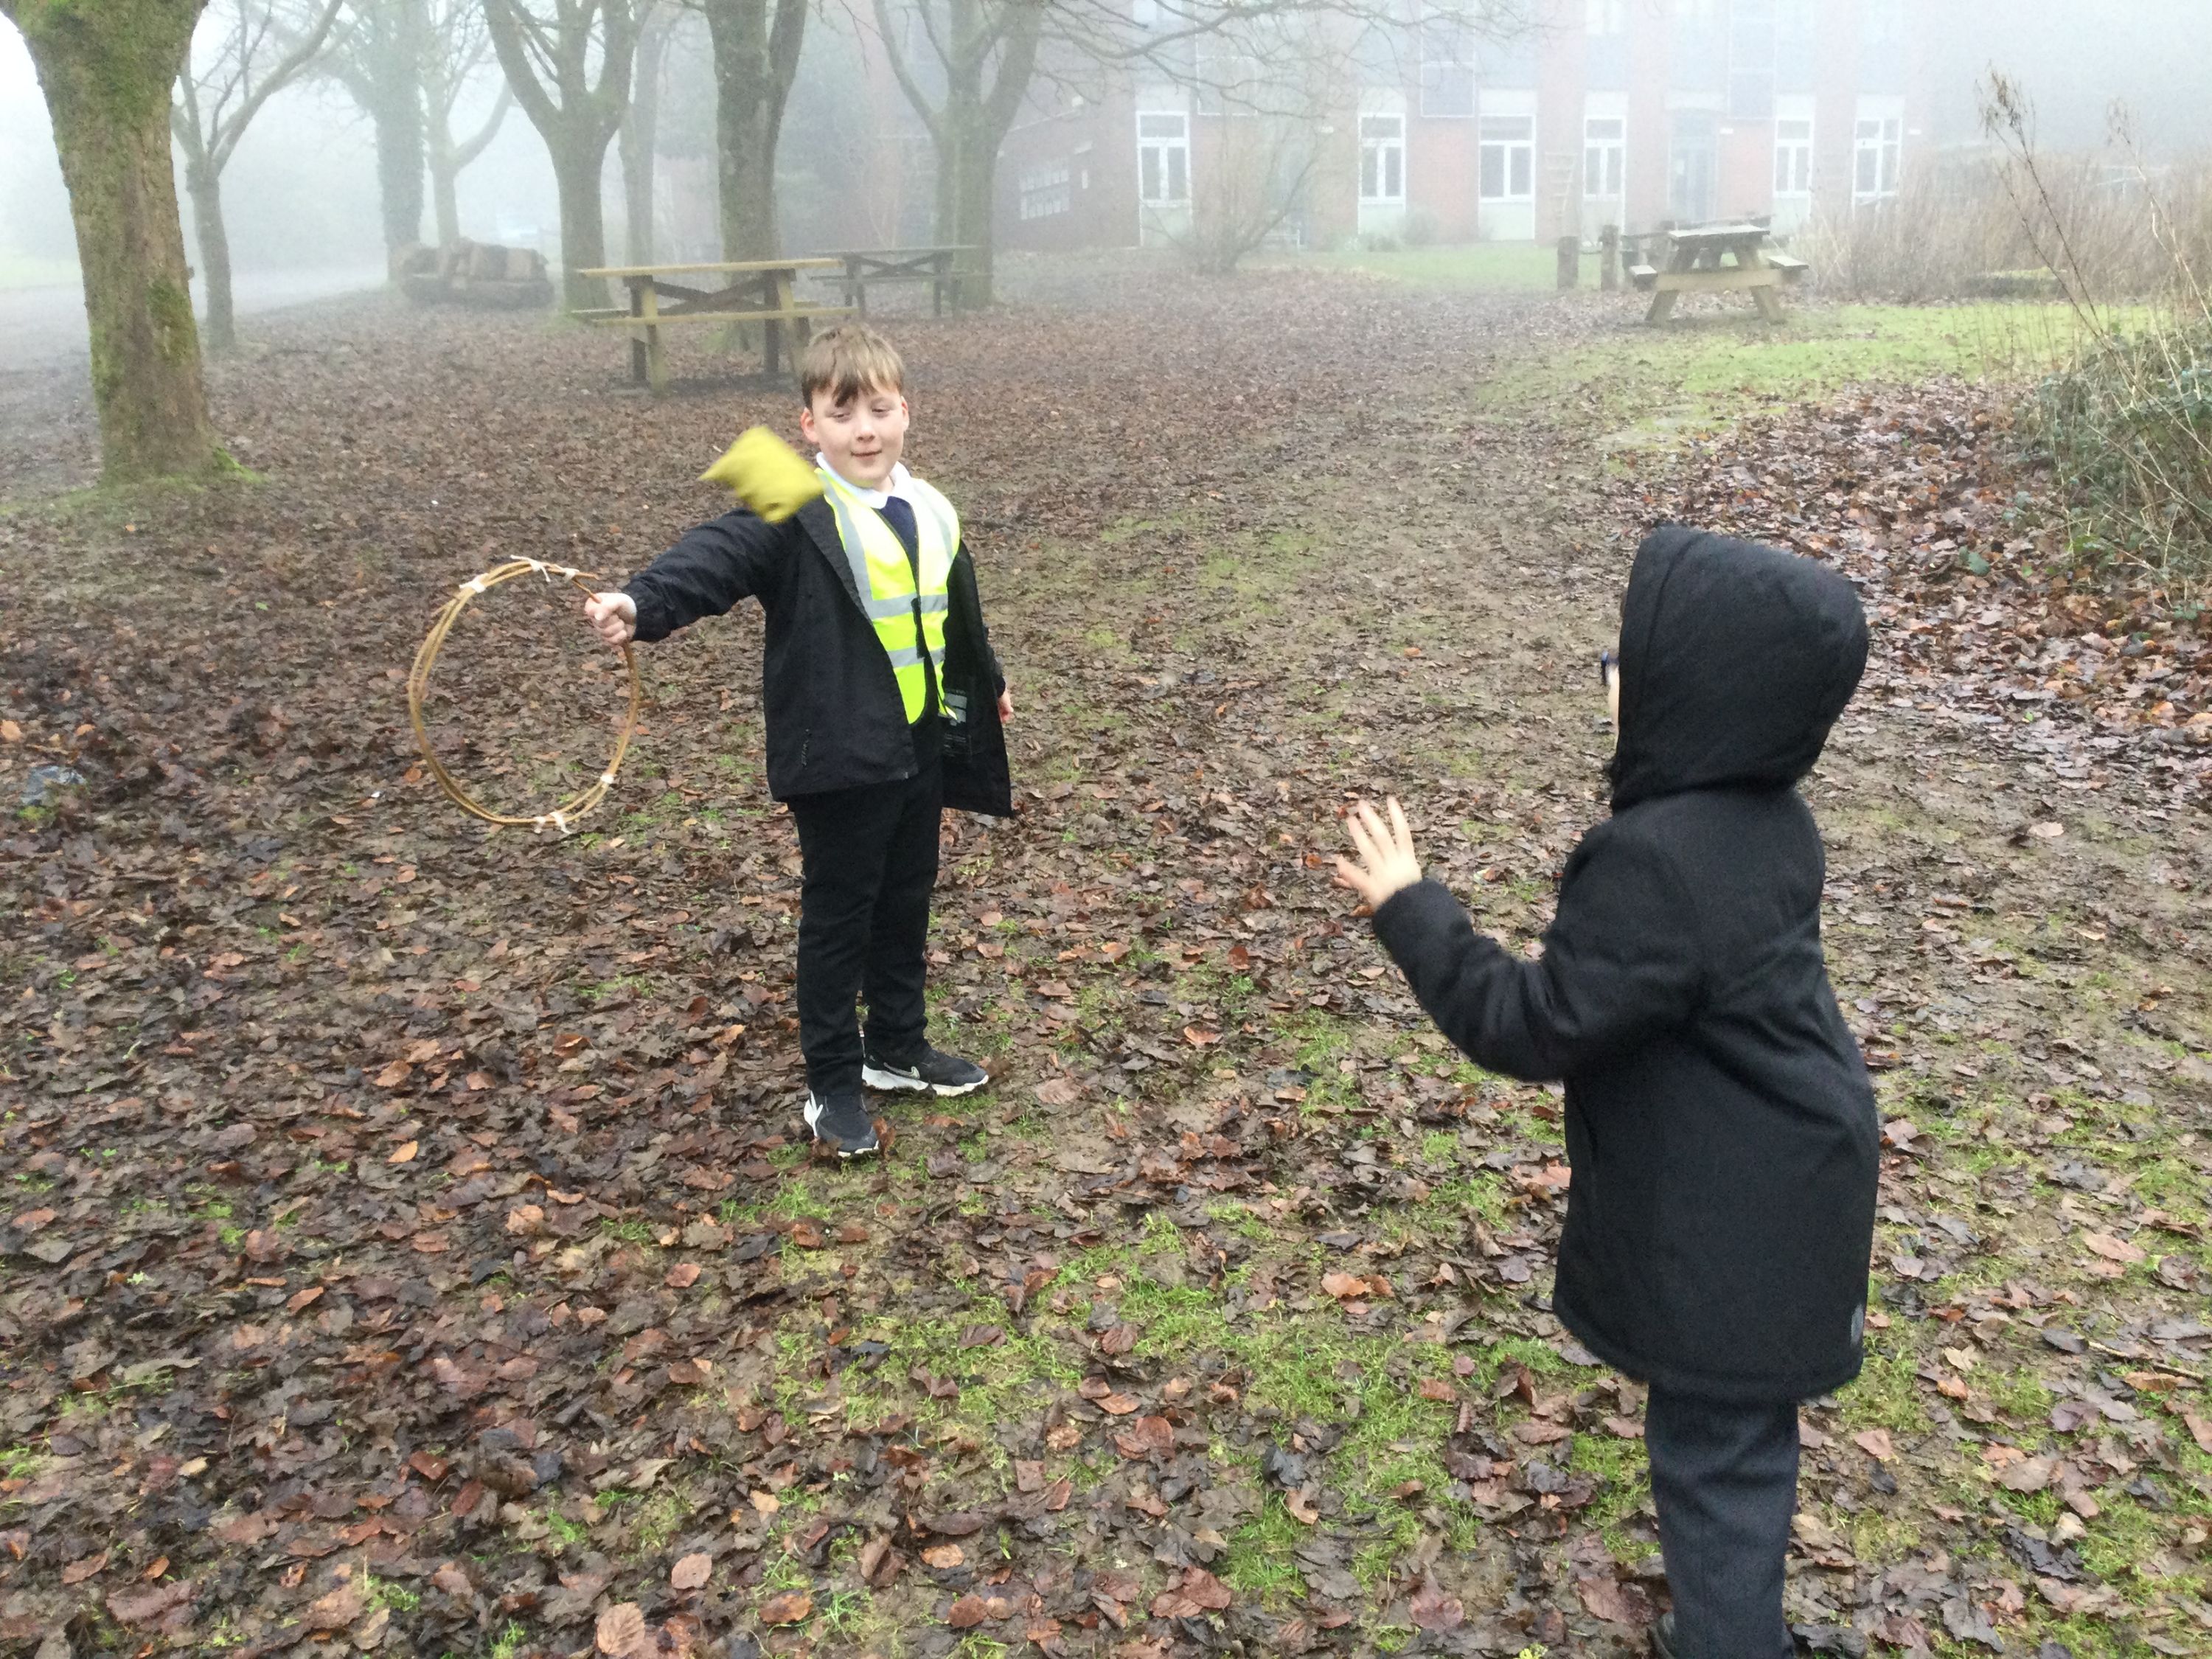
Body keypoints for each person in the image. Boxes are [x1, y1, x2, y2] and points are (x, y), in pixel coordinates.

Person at [1335, 526, 1879, 1659]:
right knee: (1739, 1446)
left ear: (1703, 692)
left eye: (1630, 662)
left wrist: (1409, 905)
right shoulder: (1770, 819)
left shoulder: (1659, 862)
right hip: (1793, 1181)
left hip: (1736, 1228)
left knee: (1716, 1467)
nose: (1609, 677)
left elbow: (1534, 1023)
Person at [583, 324, 1013, 1160]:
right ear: (808, 426)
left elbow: (952, 603)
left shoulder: (927, 503)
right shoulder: (794, 506)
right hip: (841, 755)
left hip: (919, 745)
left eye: (880, 410)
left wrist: (986, 680)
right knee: (840, 917)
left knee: (905, 899)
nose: (865, 429)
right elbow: (717, 553)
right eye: (842, 411)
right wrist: (640, 604)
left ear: (905, 413)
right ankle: (832, 1083)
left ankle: (897, 1046)